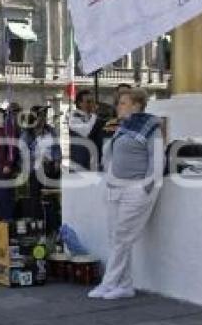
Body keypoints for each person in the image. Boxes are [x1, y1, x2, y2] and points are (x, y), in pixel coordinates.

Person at [88, 88, 163, 300]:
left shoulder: (151, 128)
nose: (118, 106)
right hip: (115, 187)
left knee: (122, 237)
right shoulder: (123, 128)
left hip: (135, 189)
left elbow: (157, 161)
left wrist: (145, 187)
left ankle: (108, 283)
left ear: (136, 105)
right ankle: (125, 285)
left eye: (122, 102)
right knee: (116, 238)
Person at [68, 89, 105, 171]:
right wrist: (95, 115)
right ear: (79, 103)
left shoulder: (94, 118)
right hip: (79, 164)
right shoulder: (74, 117)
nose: (92, 104)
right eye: (88, 102)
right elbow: (87, 131)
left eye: (93, 101)